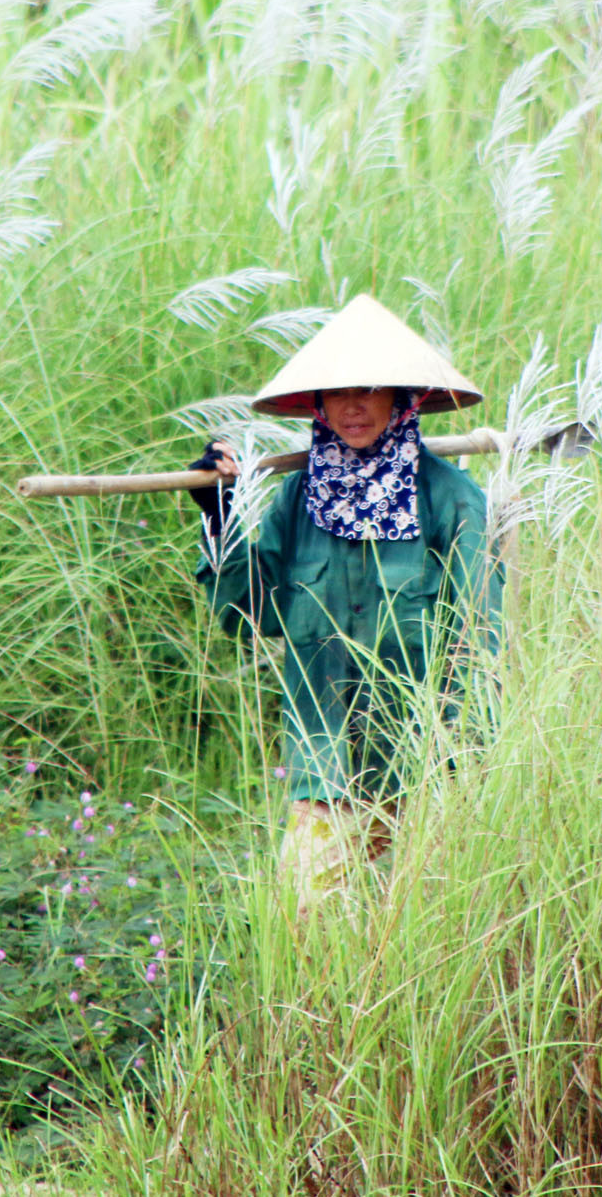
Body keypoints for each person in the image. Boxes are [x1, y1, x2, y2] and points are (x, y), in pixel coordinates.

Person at [189, 294, 502, 911]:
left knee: (421, 930)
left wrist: (465, 763)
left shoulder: (452, 499)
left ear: (401, 399)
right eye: (336, 393)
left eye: (369, 389)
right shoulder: (296, 498)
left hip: (422, 767)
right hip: (324, 759)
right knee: (305, 920)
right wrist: (220, 518)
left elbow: (479, 636)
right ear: (317, 405)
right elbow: (248, 613)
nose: (352, 406)